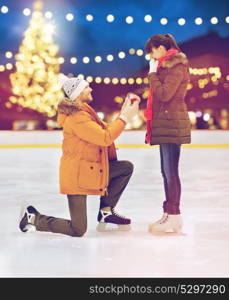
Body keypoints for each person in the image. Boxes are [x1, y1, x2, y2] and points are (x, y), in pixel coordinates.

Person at [19, 74, 140, 237]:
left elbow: (106, 130)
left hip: (89, 170)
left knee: (124, 168)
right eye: (86, 87)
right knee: (78, 229)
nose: (90, 88)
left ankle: (106, 211)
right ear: (77, 94)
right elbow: (105, 138)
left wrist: (124, 111)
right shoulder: (77, 118)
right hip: (76, 175)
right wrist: (125, 117)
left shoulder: (86, 113)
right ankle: (33, 218)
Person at [144, 33, 191, 233]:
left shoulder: (176, 65)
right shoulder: (166, 65)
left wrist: (152, 75)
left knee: (171, 172)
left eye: (152, 51)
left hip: (172, 123)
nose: (152, 57)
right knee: (166, 172)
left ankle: (175, 215)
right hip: (166, 123)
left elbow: (164, 94)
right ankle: (169, 213)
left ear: (161, 48)